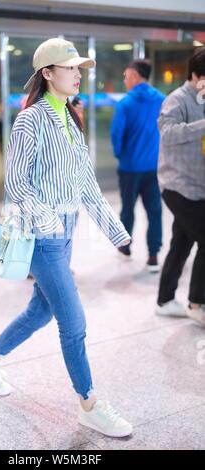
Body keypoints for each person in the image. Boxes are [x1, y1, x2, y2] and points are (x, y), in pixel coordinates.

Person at [0, 38, 133, 438]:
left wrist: (116, 232)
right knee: (73, 321)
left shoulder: (70, 118)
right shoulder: (31, 119)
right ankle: (89, 404)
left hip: (65, 233)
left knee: (41, 311)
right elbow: (17, 183)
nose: (78, 74)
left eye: (80, 68)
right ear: (47, 73)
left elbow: (86, 185)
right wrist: (48, 223)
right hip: (43, 237)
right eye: (71, 67)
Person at [155, 47, 205, 325]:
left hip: (199, 186)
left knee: (182, 242)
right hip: (177, 185)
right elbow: (168, 132)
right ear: (196, 75)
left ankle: (164, 300)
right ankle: (197, 303)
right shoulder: (177, 99)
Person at [111, 60, 165, 272]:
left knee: (128, 209)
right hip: (153, 167)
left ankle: (125, 247)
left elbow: (117, 135)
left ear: (134, 75)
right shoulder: (162, 100)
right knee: (155, 211)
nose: (125, 80)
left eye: (126, 75)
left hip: (130, 168)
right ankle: (153, 255)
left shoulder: (125, 104)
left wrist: (120, 155)